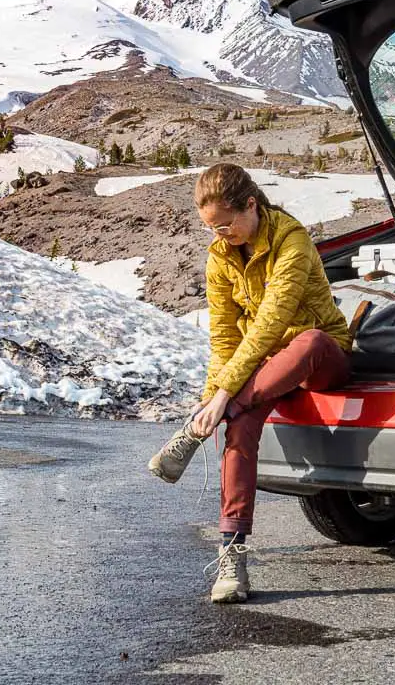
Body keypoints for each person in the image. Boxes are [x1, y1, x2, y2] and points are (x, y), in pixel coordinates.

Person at [148, 162, 352, 603]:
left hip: (319, 356)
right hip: (265, 368)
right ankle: (232, 559)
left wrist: (226, 397)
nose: (220, 235)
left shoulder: (290, 239)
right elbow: (224, 335)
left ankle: (195, 433)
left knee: (310, 340)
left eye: (226, 225)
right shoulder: (219, 257)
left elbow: (271, 320)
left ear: (251, 206)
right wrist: (210, 404)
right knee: (237, 429)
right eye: (212, 229)